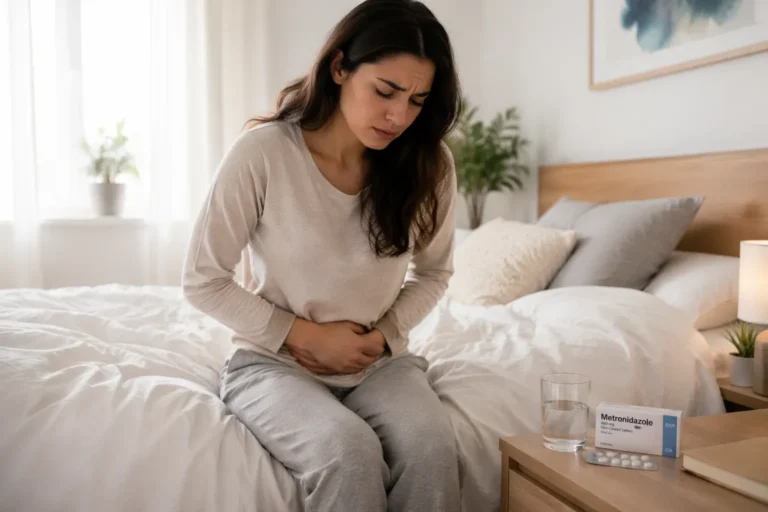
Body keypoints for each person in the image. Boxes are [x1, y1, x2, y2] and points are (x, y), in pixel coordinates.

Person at [182, 1, 462, 510]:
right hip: (271, 364)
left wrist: (384, 337)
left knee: (433, 449)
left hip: (378, 364)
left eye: (418, 100)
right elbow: (203, 279)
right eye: (385, 91)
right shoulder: (263, 152)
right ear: (339, 68)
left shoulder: (428, 164)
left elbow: (435, 272)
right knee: (347, 451)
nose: (399, 116)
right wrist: (306, 336)